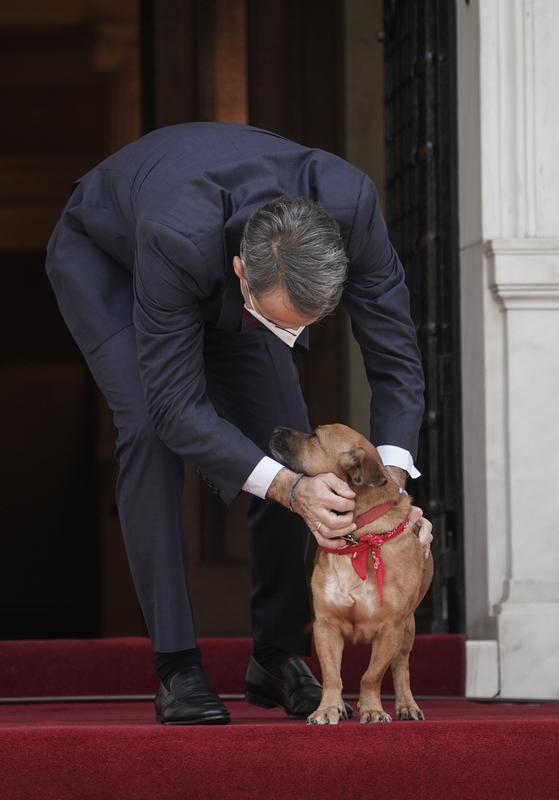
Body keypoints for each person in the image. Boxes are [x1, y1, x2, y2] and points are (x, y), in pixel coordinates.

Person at [45, 122, 430, 725]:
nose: (295, 339)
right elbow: (177, 406)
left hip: (226, 273)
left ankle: (276, 655)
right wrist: (289, 490)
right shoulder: (176, 233)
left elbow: (396, 355)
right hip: (110, 263)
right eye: (282, 322)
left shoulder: (351, 205)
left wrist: (392, 492)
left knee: (287, 433)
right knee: (149, 426)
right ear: (241, 273)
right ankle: (177, 665)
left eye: (306, 324)